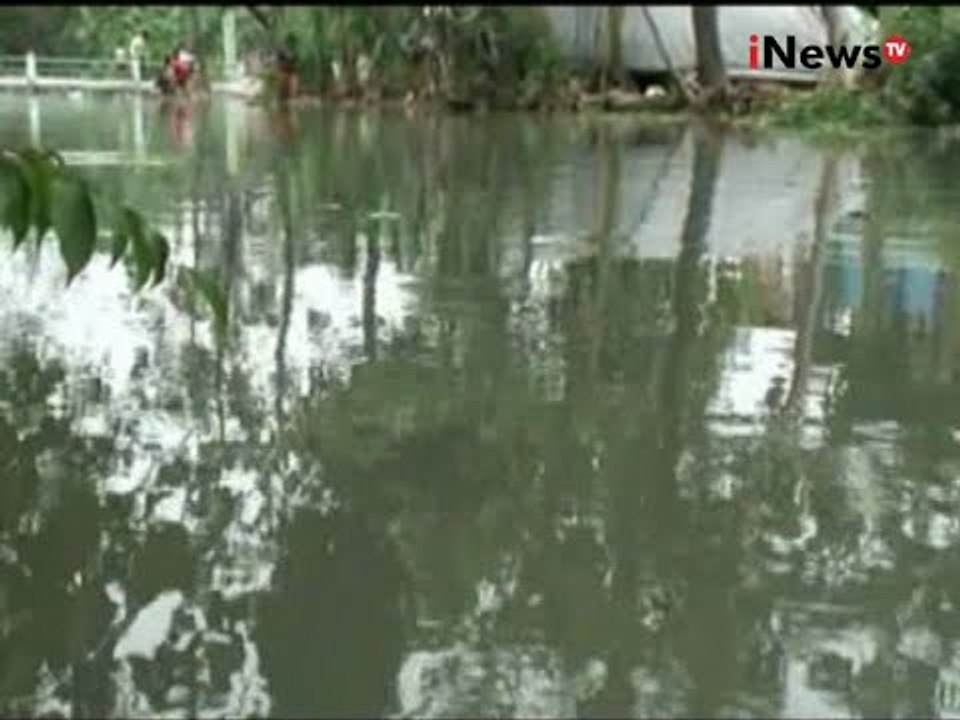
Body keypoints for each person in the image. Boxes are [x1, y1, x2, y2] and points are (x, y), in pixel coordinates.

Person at [276, 35, 300, 102]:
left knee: (293, 91)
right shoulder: (282, 51)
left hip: (292, 72)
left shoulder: (295, 50)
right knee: (283, 91)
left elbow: (295, 60)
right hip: (284, 71)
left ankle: (290, 101)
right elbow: (279, 61)